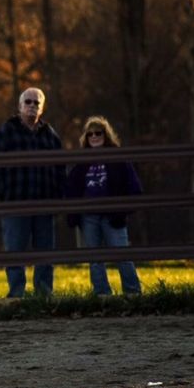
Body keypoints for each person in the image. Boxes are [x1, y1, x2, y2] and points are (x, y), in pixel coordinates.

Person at [0, 87, 65, 298]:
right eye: (28, 102)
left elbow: (61, 166)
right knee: (15, 250)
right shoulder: (7, 131)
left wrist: (57, 195)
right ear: (20, 106)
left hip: (44, 203)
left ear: (42, 108)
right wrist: (1, 192)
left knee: (45, 251)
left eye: (36, 103)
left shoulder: (50, 135)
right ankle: (16, 293)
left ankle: (43, 293)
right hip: (15, 202)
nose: (32, 106)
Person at [66, 116, 143, 296]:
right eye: (90, 134)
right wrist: (74, 213)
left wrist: (123, 209)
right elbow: (71, 187)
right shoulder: (81, 161)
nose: (94, 136)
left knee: (122, 255)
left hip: (112, 215)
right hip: (89, 216)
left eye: (98, 133)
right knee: (95, 259)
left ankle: (133, 293)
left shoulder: (117, 157)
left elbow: (133, 186)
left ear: (105, 135)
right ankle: (101, 294)